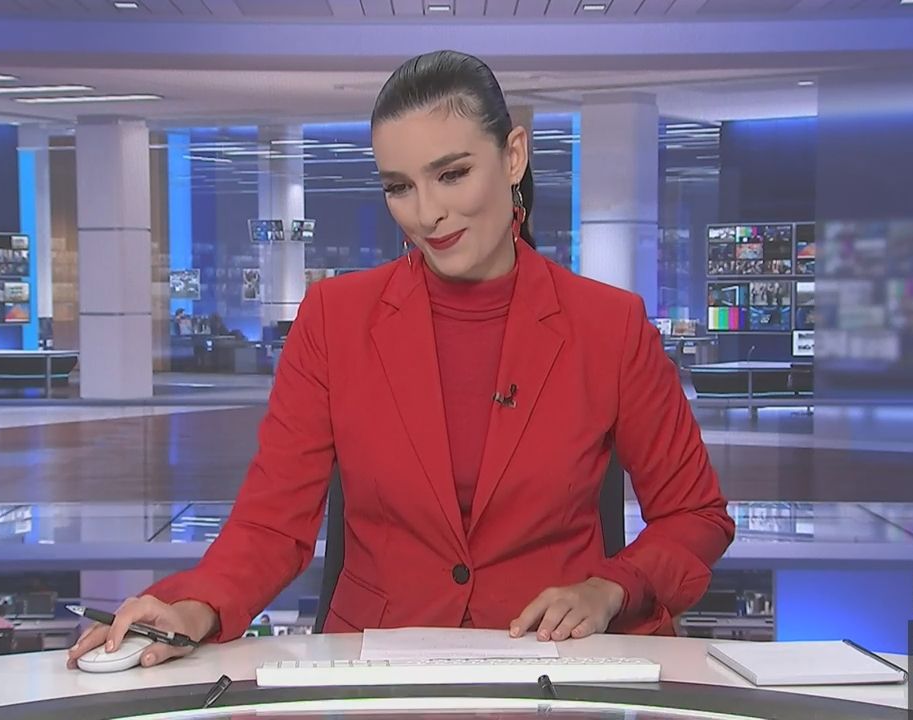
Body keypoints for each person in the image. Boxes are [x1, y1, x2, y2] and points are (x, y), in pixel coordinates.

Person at [67, 49, 734, 671]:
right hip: (377, 669)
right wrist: (196, 605)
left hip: (552, 664)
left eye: (452, 174)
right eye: (399, 187)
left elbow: (695, 516)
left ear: (513, 157)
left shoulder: (608, 326)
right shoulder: (333, 320)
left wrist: (610, 587)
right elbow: (272, 522)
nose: (427, 214)